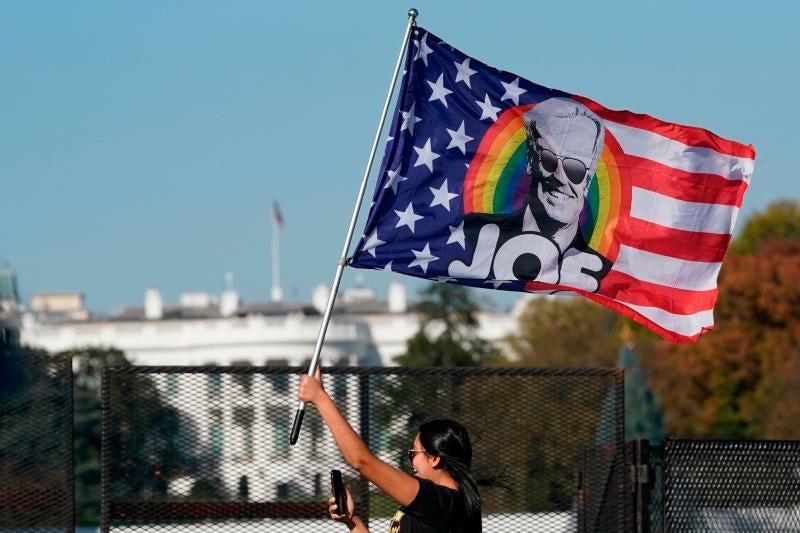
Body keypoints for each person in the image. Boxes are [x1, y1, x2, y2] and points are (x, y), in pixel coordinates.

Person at [449, 97, 611, 292]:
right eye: (549, 160)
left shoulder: (601, 273)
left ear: (588, 179)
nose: (560, 177)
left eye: (574, 169)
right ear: (531, 161)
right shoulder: (471, 232)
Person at [298, 367, 482, 532]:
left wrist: (320, 398)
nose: (411, 461)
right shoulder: (434, 505)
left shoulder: (441, 503)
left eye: (414, 453)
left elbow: (362, 461)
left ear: (434, 458)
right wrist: (352, 520)